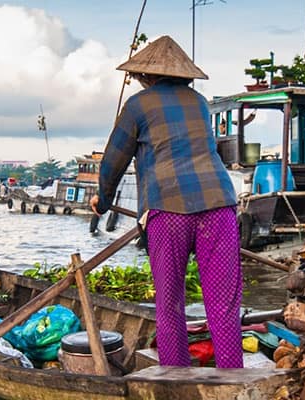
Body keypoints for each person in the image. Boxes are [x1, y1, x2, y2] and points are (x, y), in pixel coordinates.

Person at [90, 35, 243, 369]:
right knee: (223, 303)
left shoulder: (137, 105)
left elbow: (114, 160)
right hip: (219, 205)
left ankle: (176, 375)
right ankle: (233, 377)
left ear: (146, 76)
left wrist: (101, 202)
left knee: (170, 302)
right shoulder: (200, 103)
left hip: (168, 210)